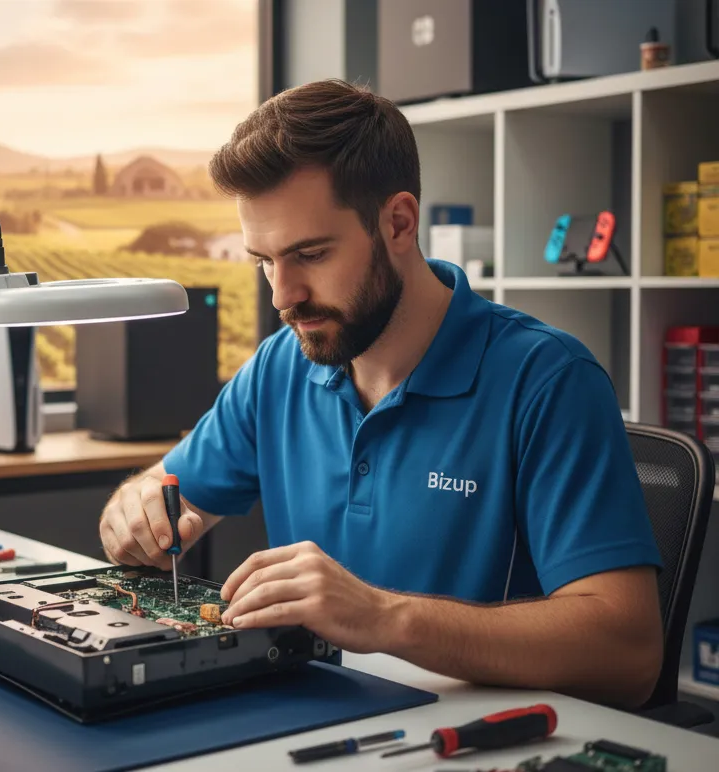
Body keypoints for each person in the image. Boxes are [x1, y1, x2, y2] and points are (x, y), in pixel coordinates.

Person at [97, 79, 663, 709]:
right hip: (313, 725)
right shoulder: (280, 366)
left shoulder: (549, 380)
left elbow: (629, 653)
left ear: (398, 222)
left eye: (309, 254)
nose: (282, 296)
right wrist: (134, 508)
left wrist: (385, 618)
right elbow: (165, 496)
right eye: (264, 260)